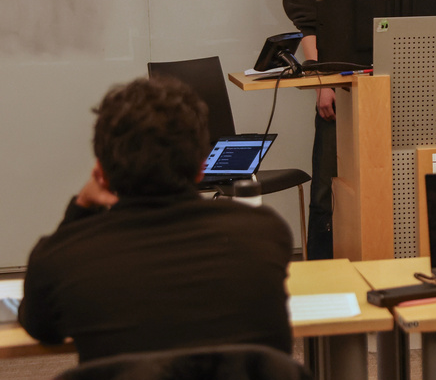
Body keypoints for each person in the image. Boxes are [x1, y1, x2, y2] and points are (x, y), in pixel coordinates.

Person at [19, 77, 293, 362]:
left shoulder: (61, 259)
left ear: (101, 173)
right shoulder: (264, 234)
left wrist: (81, 208)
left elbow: (41, 326)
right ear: (202, 167)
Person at [282, 0, 416, 259]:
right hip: (337, 83)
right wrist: (322, 84)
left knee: (392, 179)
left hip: (391, 84)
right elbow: (307, 24)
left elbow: (416, 14)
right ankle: (322, 267)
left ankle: (386, 258)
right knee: (328, 183)